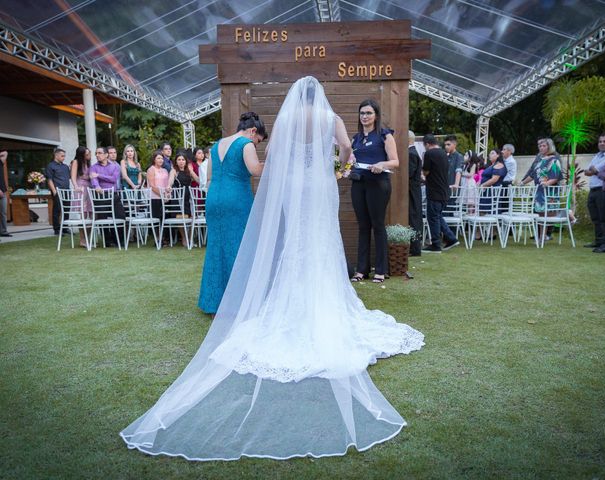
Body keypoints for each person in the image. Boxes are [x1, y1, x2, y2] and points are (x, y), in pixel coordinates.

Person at [120, 76, 424, 461]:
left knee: (296, 242)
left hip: (295, 187)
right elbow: (348, 150)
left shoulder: (286, 119)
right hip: (319, 186)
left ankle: (290, 301)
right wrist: (339, 170)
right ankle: (322, 300)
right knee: (321, 242)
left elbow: (276, 155)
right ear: (321, 95)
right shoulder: (330, 117)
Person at [197, 112, 268, 314]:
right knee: (239, 246)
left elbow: (209, 178)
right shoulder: (245, 144)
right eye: (258, 141)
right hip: (236, 198)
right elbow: (255, 169)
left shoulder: (216, 145)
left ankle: (213, 302)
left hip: (214, 199)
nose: (256, 145)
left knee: (216, 248)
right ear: (253, 131)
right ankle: (239, 302)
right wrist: (276, 161)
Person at [349, 99, 399, 283]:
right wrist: (346, 167)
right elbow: (349, 160)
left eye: (368, 113)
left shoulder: (385, 136)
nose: (365, 116)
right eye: (362, 113)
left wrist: (381, 164)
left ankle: (380, 270)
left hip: (378, 184)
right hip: (358, 184)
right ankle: (361, 270)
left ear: (376, 115)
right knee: (363, 226)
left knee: (378, 225)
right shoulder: (356, 138)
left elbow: (395, 161)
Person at [422, 134, 460, 253]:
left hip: (434, 191)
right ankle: (451, 238)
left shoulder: (429, 153)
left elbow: (426, 171)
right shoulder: (444, 153)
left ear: (427, 144)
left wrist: (423, 175)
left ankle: (436, 244)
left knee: (432, 217)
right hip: (444, 190)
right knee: (437, 216)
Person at [521, 138, 563, 241]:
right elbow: (532, 175)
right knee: (539, 214)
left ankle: (544, 235)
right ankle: (541, 236)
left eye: (544, 146)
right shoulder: (540, 160)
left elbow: (556, 176)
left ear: (549, 147)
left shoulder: (554, 160)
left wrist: (547, 183)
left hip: (549, 192)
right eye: (540, 146)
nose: (541, 148)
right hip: (539, 191)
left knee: (547, 214)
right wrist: (522, 183)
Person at [90, 146, 126, 246]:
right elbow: (93, 179)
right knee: (102, 218)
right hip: (100, 196)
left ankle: (119, 240)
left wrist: (99, 175)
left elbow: (114, 179)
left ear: (106, 155)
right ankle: (108, 241)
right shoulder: (93, 167)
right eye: (96, 153)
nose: (97, 155)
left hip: (113, 195)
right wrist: (96, 186)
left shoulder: (114, 166)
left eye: (99, 153)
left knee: (121, 216)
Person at [583, 133, 605, 248]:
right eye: (600, 141)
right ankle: (598, 241)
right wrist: (593, 171)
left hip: (602, 189)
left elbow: (596, 170)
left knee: (603, 217)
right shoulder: (597, 155)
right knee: (595, 217)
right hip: (593, 189)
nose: (602, 143)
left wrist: (593, 170)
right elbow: (587, 171)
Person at [172, 152, 197, 247]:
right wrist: (168, 186)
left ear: (186, 161)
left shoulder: (188, 171)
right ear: (176, 162)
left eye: (183, 160)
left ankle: (190, 238)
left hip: (189, 198)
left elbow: (198, 181)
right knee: (180, 218)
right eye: (179, 160)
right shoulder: (174, 171)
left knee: (191, 218)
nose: (181, 162)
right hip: (178, 198)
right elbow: (170, 181)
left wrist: (192, 171)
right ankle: (184, 238)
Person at [45, 148, 70, 236]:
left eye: (64, 156)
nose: (64, 158)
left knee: (67, 210)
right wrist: (54, 191)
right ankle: (57, 229)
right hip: (57, 191)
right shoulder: (50, 166)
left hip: (67, 191)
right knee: (57, 210)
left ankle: (65, 228)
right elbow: (49, 179)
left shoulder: (66, 167)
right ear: (56, 155)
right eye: (62, 156)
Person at [70, 146, 92, 247]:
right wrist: (76, 187)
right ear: (81, 154)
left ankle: (89, 238)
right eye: (86, 154)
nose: (88, 156)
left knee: (91, 214)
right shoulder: (76, 162)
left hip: (89, 188)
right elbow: (73, 177)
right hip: (81, 189)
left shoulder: (88, 163)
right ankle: (82, 239)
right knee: (82, 214)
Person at [408, 131, 423, 256]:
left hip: (412, 190)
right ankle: (414, 246)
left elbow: (408, 173)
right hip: (414, 189)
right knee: (414, 217)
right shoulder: (413, 152)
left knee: (413, 217)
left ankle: (415, 248)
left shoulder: (411, 154)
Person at [0, 149, 10, 238]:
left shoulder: (1, 163)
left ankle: (3, 231)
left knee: (3, 213)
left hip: (3, 191)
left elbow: (5, 152)